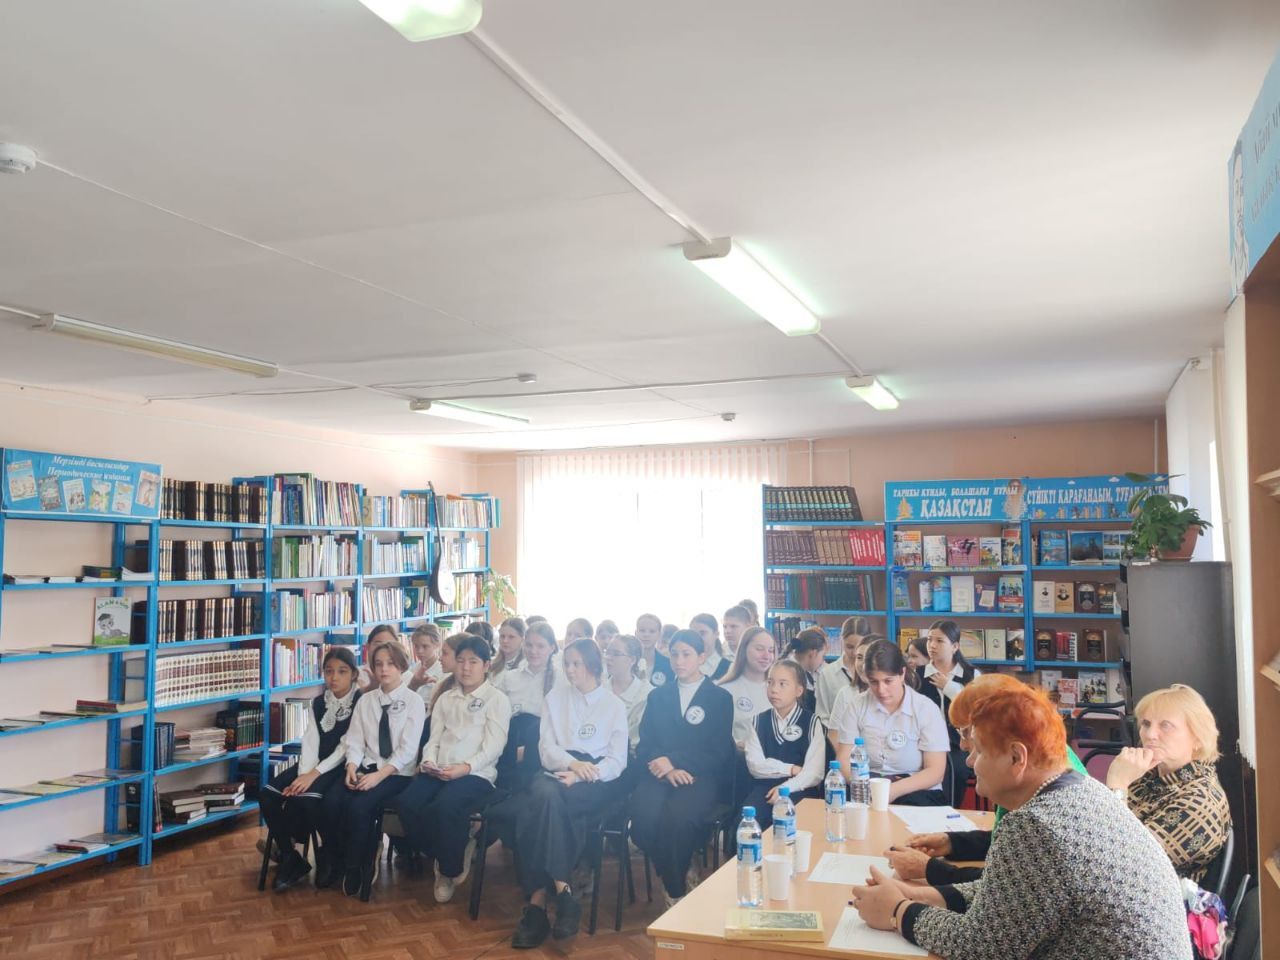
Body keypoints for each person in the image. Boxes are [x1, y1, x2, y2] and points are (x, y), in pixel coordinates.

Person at [850, 682, 1192, 959]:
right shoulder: (1082, 791)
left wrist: (898, 911)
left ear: (1017, 757)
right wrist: (924, 896)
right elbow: (1013, 899)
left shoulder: (1035, 825)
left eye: (979, 750)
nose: (969, 762)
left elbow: (983, 947)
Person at [884, 675, 1091, 886]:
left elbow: (1006, 885)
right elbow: (1009, 844)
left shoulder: (1035, 792)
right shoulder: (1047, 762)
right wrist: (951, 843)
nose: (963, 745)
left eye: (967, 732)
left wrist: (930, 871)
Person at [509, 640, 629, 948]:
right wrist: (571, 765)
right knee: (546, 797)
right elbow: (546, 748)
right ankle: (564, 894)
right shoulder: (555, 697)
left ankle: (537, 905)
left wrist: (585, 773)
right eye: (567, 664)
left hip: (594, 778)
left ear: (593, 666)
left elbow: (617, 760)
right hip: (558, 769)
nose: (571, 670)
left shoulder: (614, 705)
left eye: (577, 663)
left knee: (539, 807)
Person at [394, 634, 512, 904]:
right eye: (460, 661)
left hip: (476, 774)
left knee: (445, 807)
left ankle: (448, 871)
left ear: (486, 665)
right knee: (407, 803)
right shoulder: (446, 698)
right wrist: (428, 761)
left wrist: (465, 768)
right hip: (438, 769)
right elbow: (434, 738)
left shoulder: (497, 699)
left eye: (473, 661)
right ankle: (448, 849)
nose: (465, 668)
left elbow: (494, 747)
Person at [630, 629, 735, 907]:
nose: (679, 661)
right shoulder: (658, 696)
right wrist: (667, 768)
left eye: (686, 654)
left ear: (702, 656)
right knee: (642, 820)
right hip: (658, 773)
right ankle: (679, 866)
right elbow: (646, 744)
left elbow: (719, 752)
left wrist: (675, 761)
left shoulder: (719, 698)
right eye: (674, 654)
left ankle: (674, 890)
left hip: (698, 776)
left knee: (677, 821)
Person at [319, 640, 425, 898]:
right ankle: (336, 857)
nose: (384, 669)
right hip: (365, 767)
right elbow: (355, 741)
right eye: (378, 664)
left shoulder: (414, 701)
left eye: (390, 664)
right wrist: (351, 766)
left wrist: (378, 776)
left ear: (402, 666)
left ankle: (357, 865)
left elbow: (407, 751)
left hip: (396, 773)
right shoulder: (366, 701)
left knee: (359, 806)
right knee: (331, 802)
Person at [1105, 683, 1231, 881]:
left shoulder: (1200, 802)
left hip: (1144, 895)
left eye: (1166, 725)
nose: (1149, 734)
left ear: (1198, 738)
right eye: (1146, 724)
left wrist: (1118, 786)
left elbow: (1123, 864)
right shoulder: (1151, 773)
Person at [261, 647, 361, 891]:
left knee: (308, 800)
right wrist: (303, 774)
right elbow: (310, 740)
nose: (334, 677)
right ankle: (290, 856)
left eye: (342, 671)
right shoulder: (318, 702)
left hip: (340, 765)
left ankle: (331, 854)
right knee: (268, 794)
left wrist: (313, 775)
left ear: (354, 674)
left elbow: (346, 746)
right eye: (328, 671)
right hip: (313, 763)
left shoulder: (361, 701)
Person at [832, 640, 948, 805]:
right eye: (874, 682)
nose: (881, 690)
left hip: (915, 789)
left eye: (888, 681)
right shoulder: (856, 706)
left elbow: (935, 771)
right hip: (866, 785)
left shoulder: (925, 709)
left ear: (902, 674)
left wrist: (892, 790)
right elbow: (844, 759)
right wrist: (862, 786)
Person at [741, 660, 824, 830]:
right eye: (770, 682)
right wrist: (791, 769)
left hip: (801, 789)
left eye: (782, 684)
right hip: (764, 788)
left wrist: (785, 788)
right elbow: (756, 766)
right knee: (747, 825)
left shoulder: (811, 722)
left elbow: (814, 773)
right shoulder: (757, 721)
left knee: (794, 826)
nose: (774, 689)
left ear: (799, 690)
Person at [493, 619, 559, 791]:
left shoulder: (560, 680)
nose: (533, 651)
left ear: (552, 648)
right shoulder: (510, 677)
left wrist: (526, 750)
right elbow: (497, 711)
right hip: (510, 735)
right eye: (529, 645)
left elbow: (557, 724)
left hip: (539, 740)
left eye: (540, 646)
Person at [919, 620, 979, 803]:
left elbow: (978, 709)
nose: (932, 645)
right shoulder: (917, 674)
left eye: (939, 641)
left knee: (956, 768)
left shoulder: (971, 674)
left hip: (959, 743)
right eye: (929, 640)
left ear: (955, 646)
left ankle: (949, 810)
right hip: (923, 741)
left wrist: (950, 688)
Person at [717, 626, 777, 747]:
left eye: (771, 650)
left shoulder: (781, 689)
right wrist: (741, 744)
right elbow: (716, 736)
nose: (766, 656)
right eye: (759, 649)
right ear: (743, 650)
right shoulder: (725, 691)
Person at [815, 617, 875, 727]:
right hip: (836, 734)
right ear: (841, 639)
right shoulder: (827, 674)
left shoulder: (877, 673)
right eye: (849, 647)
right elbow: (822, 716)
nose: (854, 653)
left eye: (859, 647)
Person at [604, 633, 650, 753]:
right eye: (607, 652)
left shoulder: (647, 694)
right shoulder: (598, 689)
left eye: (616, 654)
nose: (608, 657)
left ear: (632, 660)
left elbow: (637, 739)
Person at [785, 627, 827, 711]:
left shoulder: (804, 671)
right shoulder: (790, 673)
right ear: (813, 653)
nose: (822, 661)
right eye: (822, 656)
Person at [403, 623, 445, 708]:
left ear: (437, 644)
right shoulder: (413, 669)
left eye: (425, 646)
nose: (420, 651)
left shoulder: (443, 671)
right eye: (416, 646)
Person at [357, 623, 402, 691]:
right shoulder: (356, 674)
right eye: (378, 644)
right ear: (367, 646)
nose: (383, 648)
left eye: (389, 645)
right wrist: (371, 687)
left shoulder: (405, 675)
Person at [690, 613, 731, 680]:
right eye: (693, 634)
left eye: (702, 633)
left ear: (716, 634)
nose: (697, 638)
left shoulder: (730, 668)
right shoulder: (683, 665)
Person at [636, 613, 672, 687]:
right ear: (636, 633)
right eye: (642, 630)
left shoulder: (668, 665)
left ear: (659, 635)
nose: (646, 635)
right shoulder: (625, 661)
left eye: (652, 631)